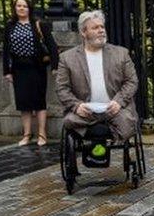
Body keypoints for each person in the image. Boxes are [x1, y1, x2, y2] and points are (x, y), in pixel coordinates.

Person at [55, 9, 138, 142]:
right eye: (95, 28)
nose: (101, 30)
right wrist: (77, 106)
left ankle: (101, 141)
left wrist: (118, 102)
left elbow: (132, 81)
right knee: (70, 121)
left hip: (116, 110)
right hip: (86, 112)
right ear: (83, 32)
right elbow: (62, 88)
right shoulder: (67, 58)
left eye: (102, 27)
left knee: (127, 124)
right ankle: (97, 143)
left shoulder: (121, 53)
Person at [2, 0, 58, 146]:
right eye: (18, 6)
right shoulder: (10, 26)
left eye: (24, 6)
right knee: (23, 103)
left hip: (37, 67)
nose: (21, 8)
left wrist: (54, 66)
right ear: (14, 8)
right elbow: (6, 49)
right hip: (19, 69)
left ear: (29, 9)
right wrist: (7, 71)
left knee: (39, 101)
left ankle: (42, 133)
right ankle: (27, 134)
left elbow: (51, 45)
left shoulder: (38, 24)